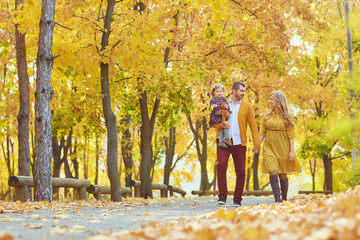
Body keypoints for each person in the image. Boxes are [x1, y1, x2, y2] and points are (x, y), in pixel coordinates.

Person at [216, 81, 260, 207]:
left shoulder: (247, 106)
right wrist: (221, 125)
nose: (243, 93)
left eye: (244, 91)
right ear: (234, 91)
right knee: (221, 165)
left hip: (239, 142)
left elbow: (253, 125)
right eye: (241, 91)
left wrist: (257, 143)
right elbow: (213, 122)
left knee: (241, 171)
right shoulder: (222, 103)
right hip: (223, 141)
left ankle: (237, 199)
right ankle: (222, 197)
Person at [259, 91, 301, 203]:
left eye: (272, 99)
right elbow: (262, 132)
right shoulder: (267, 115)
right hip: (268, 147)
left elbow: (291, 135)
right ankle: (277, 200)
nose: (270, 101)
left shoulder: (287, 116)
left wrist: (292, 151)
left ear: (279, 101)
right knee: (272, 171)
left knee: (282, 173)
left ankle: (284, 198)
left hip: (283, 147)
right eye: (270, 99)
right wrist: (257, 145)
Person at [209, 83, 232, 148]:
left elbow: (228, 107)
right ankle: (226, 138)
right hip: (216, 118)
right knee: (224, 125)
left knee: (223, 127)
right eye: (217, 91)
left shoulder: (224, 99)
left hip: (223, 117)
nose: (219, 93)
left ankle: (221, 141)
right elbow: (210, 108)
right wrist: (213, 106)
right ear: (213, 92)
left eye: (221, 91)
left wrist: (227, 107)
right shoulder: (212, 100)